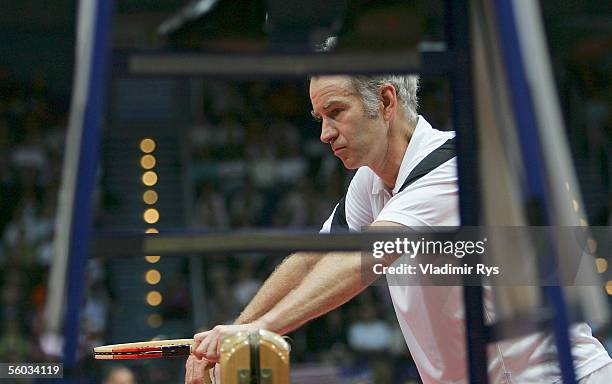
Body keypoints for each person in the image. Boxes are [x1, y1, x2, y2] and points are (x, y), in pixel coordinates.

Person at [185, 74, 612, 383]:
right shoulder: (370, 182)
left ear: (387, 102)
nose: (324, 133)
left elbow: (364, 258)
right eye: (318, 117)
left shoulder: (454, 169)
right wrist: (232, 332)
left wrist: (262, 329)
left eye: (335, 112)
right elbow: (310, 257)